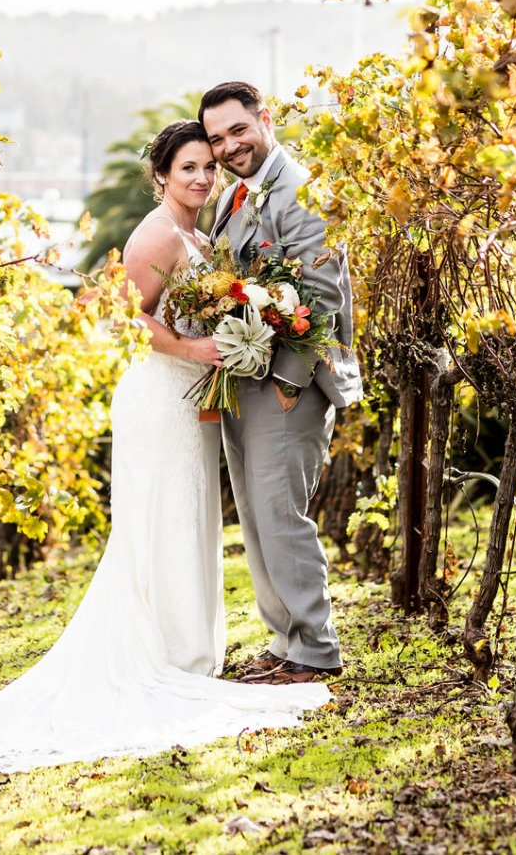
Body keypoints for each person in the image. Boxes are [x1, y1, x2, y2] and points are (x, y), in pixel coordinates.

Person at [0, 119, 332, 771]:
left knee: (186, 522)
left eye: (209, 167)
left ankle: (189, 651)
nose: (203, 177)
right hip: (156, 397)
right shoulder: (154, 232)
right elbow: (121, 313)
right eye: (189, 168)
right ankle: (168, 655)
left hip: (188, 402)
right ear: (161, 176)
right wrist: (193, 348)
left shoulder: (198, 234)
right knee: (158, 523)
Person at [199, 81, 362, 685]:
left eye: (238, 130)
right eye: (216, 139)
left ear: (264, 119)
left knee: (281, 514)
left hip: (289, 383)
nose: (228, 146)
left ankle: (314, 650)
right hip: (246, 378)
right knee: (256, 514)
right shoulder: (237, 194)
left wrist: (291, 384)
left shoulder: (300, 190)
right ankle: (284, 641)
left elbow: (322, 294)